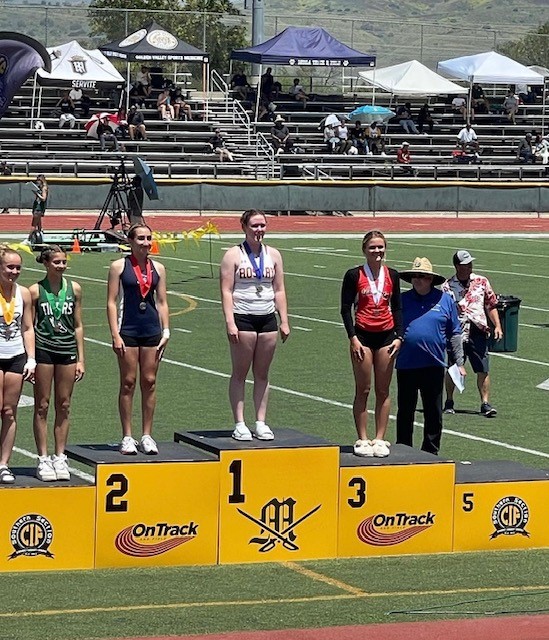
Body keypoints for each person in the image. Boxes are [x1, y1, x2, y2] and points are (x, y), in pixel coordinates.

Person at [220, 209, 290, 442]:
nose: (259, 230)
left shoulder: (274, 255)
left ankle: (260, 422)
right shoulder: (233, 255)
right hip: (243, 317)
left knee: (262, 374)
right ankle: (239, 423)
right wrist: (230, 322)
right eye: (254, 226)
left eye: (262, 225)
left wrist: (284, 320)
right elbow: (226, 291)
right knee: (240, 373)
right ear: (244, 227)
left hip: (267, 317)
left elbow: (279, 289)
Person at [107, 224, 170, 455]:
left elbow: (162, 302)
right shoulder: (119, 267)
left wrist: (166, 331)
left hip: (151, 329)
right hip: (128, 329)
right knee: (128, 382)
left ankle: (147, 435)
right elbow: (112, 302)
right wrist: (115, 334)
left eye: (148, 238)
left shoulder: (158, 268)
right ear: (130, 241)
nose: (145, 243)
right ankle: (127, 436)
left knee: (150, 381)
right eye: (141, 238)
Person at [340, 231, 403, 458]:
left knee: (383, 390)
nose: (377, 252)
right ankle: (363, 438)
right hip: (362, 337)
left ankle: (379, 438)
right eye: (372, 248)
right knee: (363, 389)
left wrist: (399, 336)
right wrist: (353, 338)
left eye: (380, 247)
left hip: (386, 336)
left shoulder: (392, 275)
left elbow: (397, 307)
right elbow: (345, 308)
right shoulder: (353, 275)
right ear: (364, 250)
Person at [396, 257, 465, 455]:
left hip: (433, 365)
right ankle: (403, 449)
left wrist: (459, 362)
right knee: (405, 411)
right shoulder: (402, 300)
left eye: (423, 276)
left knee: (433, 412)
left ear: (430, 279)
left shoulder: (445, 300)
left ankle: (430, 451)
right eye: (415, 276)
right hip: (406, 364)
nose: (419, 280)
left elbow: (455, 332)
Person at [30, 246, 84, 481]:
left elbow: (79, 325)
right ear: (46, 264)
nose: (61, 266)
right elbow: (29, 327)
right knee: (42, 405)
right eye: (57, 262)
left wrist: (81, 358)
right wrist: (29, 358)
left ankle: (60, 456)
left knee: (64, 404)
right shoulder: (35, 291)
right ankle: (43, 458)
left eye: (64, 262)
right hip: (44, 351)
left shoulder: (74, 288)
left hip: (67, 351)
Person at [442, 250, 502, 418]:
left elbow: (491, 304)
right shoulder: (447, 286)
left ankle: (485, 403)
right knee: (453, 368)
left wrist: (497, 325)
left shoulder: (481, 281)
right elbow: (445, 312)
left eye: (470, 264)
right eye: (464, 264)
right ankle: (449, 401)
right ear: (456, 266)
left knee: (483, 368)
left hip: (478, 329)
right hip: (456, 331)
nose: (468, 267)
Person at [0, 245, 36, 483]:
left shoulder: (23, 294)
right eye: (9, 267)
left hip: (16, 356)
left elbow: (27, 327)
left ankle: (3, 464)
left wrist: (31, 359)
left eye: (17, 268)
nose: (14, 272)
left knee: (9, 412)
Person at [29, 174, 48, 243]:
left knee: (34, 224)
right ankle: (42, 238)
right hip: (37, 206)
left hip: (39, 208)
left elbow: (43, 198)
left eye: (38, 180)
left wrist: (37, 194)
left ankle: (28, 239)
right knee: (39, 224)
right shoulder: (40, 188)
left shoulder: (44, 188)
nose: (37, 182)